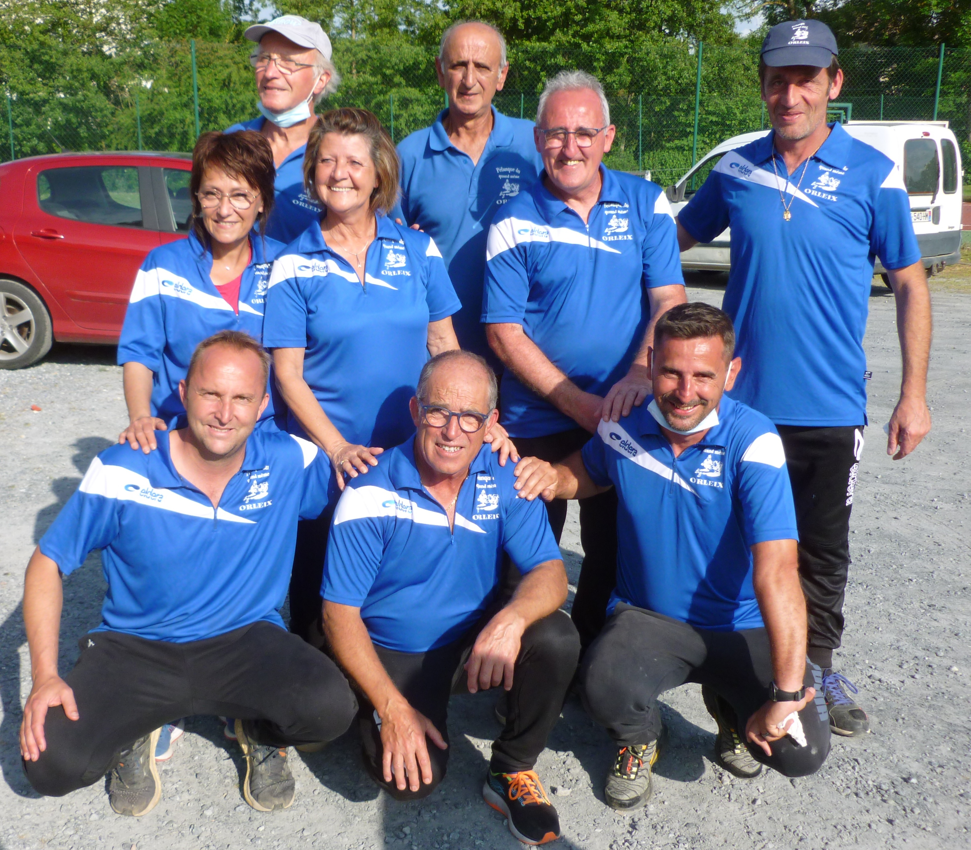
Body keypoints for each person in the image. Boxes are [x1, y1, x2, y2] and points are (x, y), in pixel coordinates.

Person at [675, 19, 932, 736]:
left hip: (829, 407)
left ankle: (816, 671)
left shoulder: (872, 174)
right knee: (736, 547)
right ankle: (743, 674)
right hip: (741, 408)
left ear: (833, 83)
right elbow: (667, 243)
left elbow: (910, 283)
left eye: (805, 79)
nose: (790, 95)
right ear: (762, 86)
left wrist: (912, 394)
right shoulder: (735, 170)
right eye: (777, 80)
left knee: (821, 553)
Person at [20, 331, 357, 817]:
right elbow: (47, 563)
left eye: (242, 398)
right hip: (137, 646)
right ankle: (135, 728)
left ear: (263, 405)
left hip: (245, 639)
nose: (225, 413)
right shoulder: (124, 467)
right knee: (50, 764)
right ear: (183, 393)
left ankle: (254, 728)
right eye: (210, 394)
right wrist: (45, 676)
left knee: (331, 710)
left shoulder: (290, 460)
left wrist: (467, 451)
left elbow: (372, 490)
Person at [515, 303, 830, 811]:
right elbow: (586, 473)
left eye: (704, 376)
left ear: (731, 373)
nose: (685, 392)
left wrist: (787, 694)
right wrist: (550, 476)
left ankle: (731, 710)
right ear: (650, 364)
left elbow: (778, 572)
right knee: (600, 685)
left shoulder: (754, 440)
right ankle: (639, 737)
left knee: (800, 752)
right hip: (649, 619)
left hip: (740, 625)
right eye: (671, 372)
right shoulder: (624, 426)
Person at [321, 350, 580, 846]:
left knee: (556, 637)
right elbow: (338, 615)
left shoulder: (506, 475)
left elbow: (550, 571)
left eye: (470, 417)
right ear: (416, 412)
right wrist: (392, 709)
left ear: (491, 423)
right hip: (394, 650)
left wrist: (510, 621)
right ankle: (368, 707)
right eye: (438, 412)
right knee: (412, 782)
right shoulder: (369, 491)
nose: (452, 431)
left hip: (469, 643)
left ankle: (511, 770)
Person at [483, 70, 686, 648]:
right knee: (524, 560)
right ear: (538, 139)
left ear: (608, 137)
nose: (569, 147)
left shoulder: (646, 203)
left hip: (627, 410)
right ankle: (520, 670)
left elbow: (669, 300)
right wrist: (582, 406)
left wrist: (640, 373)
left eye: (583, 133)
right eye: (555, 134)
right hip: (535, 418)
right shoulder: (513, 217)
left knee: (613, 553)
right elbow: (503, 333)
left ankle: (596, 668)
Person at [263, 107, 465, 644]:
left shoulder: (419, 250)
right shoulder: (293, 264)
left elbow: (443, 346)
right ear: (312, 171)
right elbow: (287, 375)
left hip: (409, 457)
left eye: (354, 162)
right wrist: (337, 449)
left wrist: (471, 419)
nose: (340, 173)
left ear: (379, 174)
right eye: (327, 160)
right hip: (327, 467)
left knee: (393, 591)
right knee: (319, 607)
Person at [117, 130, 284, 454]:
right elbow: (139, 353)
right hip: (182, 435)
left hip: (264, 438)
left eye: (240, 195)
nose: (224, 210)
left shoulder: (286, 264)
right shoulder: (163, 264)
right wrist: (140, 418)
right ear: (197, 198)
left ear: (262, 201)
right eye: (211, 194)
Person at [393, 21, 543, 362]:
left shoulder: (533, 145)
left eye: (483, 67)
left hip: (526, 356)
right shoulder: (409, 155)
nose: (469, 80)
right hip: (438, 356)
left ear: (502, 76)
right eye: (459, 65)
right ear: (440, 71)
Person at [227, 15, 340, 242]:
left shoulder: (340, 154)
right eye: (264, 58)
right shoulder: (232, 142)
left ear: (321, 80)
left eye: (289, 62)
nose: (270, 73)